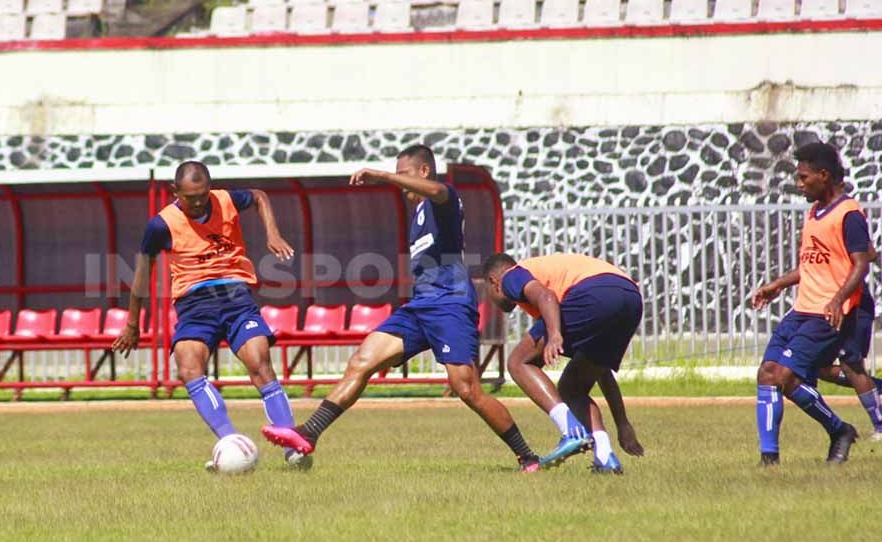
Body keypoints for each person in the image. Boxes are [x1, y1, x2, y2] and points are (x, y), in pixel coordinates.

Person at [261, 145, 544, 472]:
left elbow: (438, 190)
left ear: (423, 171)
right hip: (420, 307)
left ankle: (527, 456)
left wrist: (382, 175)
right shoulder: (418, 216)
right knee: (362, 361)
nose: (400, 182)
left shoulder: (445, 200)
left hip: (450, 305)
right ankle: (309, 433)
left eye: (405, 174)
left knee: (466, 389)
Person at [112, 161, 308, 470]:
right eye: (191, 197)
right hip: (194, 305)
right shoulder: (160, 225)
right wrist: (133, 324)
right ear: (175, 191)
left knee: (260, 364)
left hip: (235, 297)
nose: (200, 202)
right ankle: (232, 444)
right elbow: (142, 272)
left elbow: (258, 195)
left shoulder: (226, 200)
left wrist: (273, 233)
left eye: (203, 194)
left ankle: (293, 447)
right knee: (189, 369)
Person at [752, 142, 871, 465]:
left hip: (827, 315)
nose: (799, 183)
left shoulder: (849, 214)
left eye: (804, 177)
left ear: (824, 175)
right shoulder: (814, 212)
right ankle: (769, 459)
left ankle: (839, 430)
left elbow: (861, 264)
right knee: (768, 373)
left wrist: (837, 300)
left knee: (786, 376)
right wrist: (776, 285)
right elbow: (811, 265)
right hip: (802, 310)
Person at [479, 252, 645, 473]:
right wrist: (622, 424)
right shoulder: (553, 288)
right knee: (572, 388)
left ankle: (571, 431)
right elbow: (601, 372)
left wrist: (554, 334)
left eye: (488, 292)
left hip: (593, 293)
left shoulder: (510, 276)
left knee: (518, 362)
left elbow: (546, 297)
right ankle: (605, 458)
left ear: (493, 282)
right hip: (631, 298)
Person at [815, 248, 882, 441]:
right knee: (817, 367)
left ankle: (880, 425)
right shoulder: (814, 226)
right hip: (825, 306)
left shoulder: (848, 221)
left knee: (851, 364)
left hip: (853, 305)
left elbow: (869, 253)